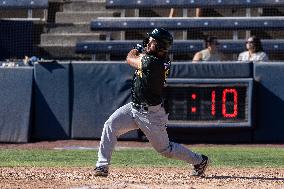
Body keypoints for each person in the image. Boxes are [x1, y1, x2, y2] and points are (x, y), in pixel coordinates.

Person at [94, 28, 209, 177]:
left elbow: (129, 58)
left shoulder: (154, 62)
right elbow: (144, 55)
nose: (148, 43)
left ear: (161, 46)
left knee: (165, 150)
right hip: (133, 107)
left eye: (152, 42)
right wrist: (145, 48)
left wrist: (136, 48)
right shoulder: (158, 57)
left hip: (150, 114)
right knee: (111, 125)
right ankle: (102, 166)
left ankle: (199, 161)